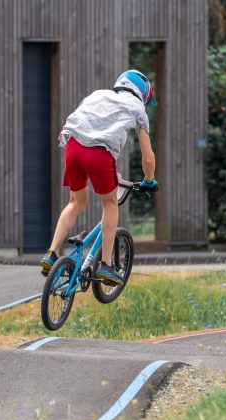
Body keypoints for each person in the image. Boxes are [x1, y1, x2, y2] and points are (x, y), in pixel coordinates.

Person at [39, 69, 159, 285]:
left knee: (76, 201)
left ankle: (51, 253)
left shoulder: (97, 94)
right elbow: (148, 159)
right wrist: (149, 181)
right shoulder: (138, 110)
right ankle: (106, 265)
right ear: (143, 94)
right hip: (99, 154)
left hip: (73, 146)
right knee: (110, 204)